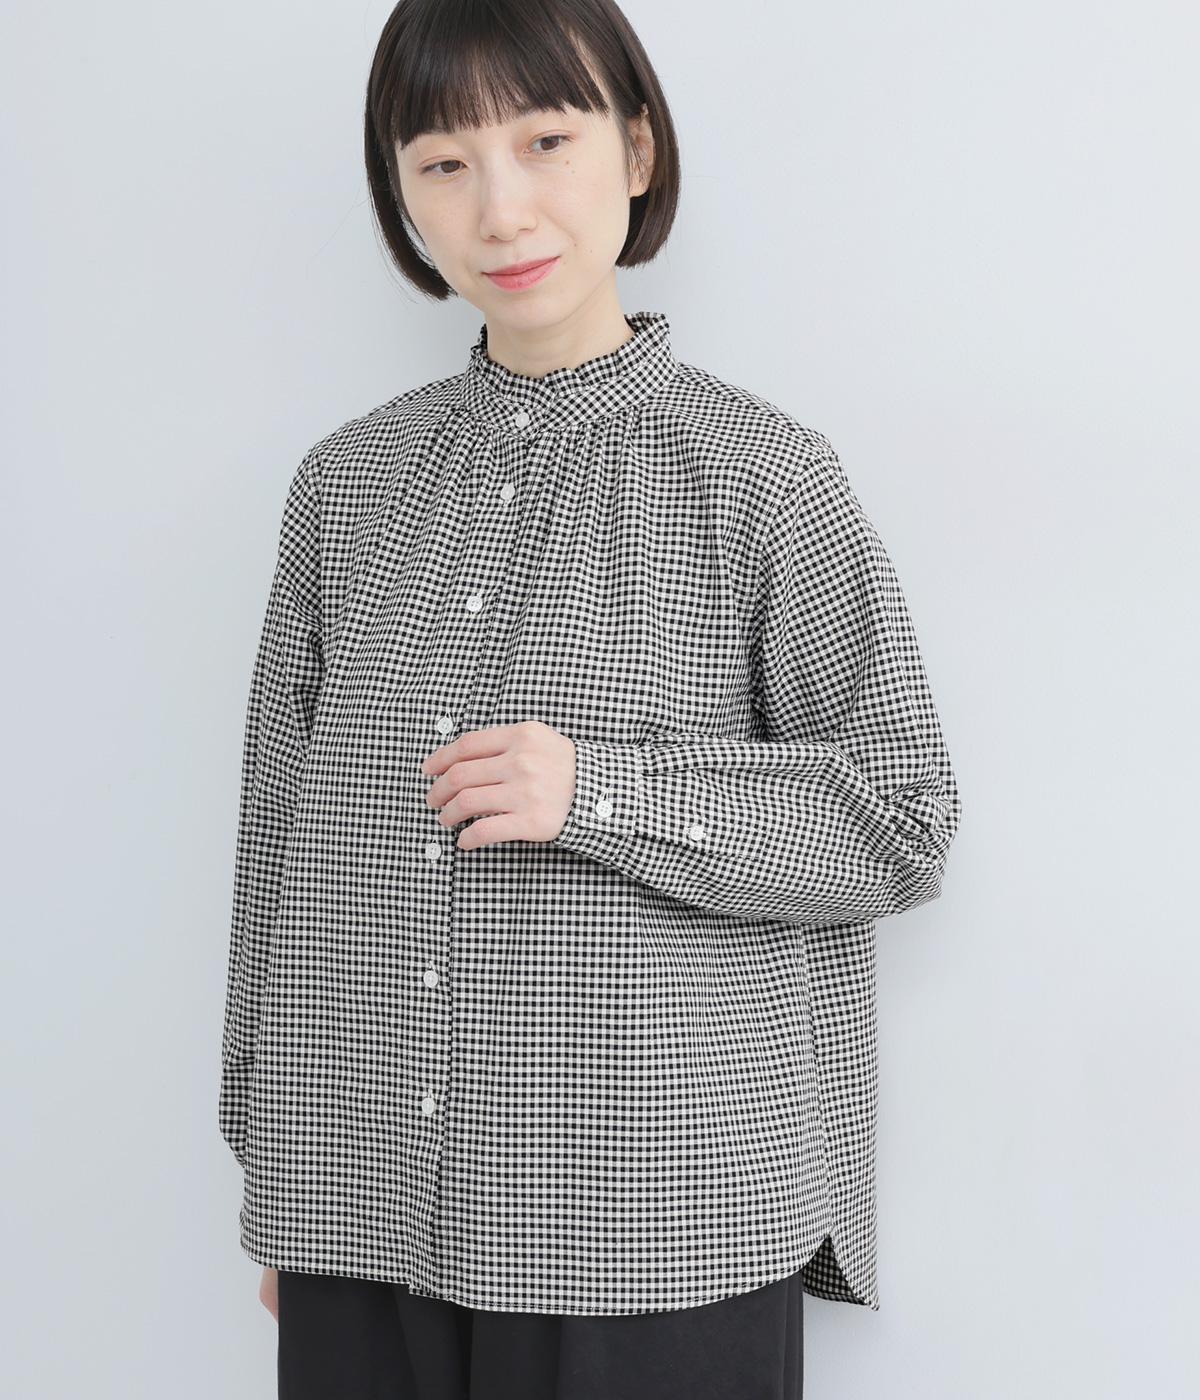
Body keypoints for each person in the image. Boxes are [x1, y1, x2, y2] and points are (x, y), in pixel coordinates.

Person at [217, 1, 963, 1396]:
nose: (500, 209)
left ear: (636, 149)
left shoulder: (767, 478)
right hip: (357, 1206)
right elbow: (276, 844)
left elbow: (904, 823)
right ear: (401, 195)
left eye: (545, 142)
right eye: (444, 163)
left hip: (652, 1228)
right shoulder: (344, 488)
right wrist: (278, 1169)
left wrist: (600, 795)